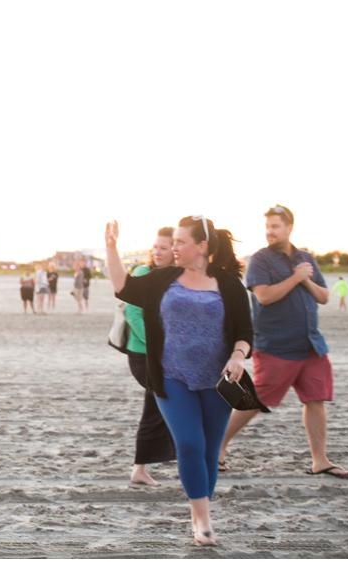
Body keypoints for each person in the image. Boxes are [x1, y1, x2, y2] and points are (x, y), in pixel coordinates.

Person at [106, 216, 252, 546]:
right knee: (189, 443)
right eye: (173, 242)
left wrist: (238, 355)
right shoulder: (163, 280)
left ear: (202, 247)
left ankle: (200, 502)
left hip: (218, 382)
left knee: (209, 451)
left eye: (181, 242)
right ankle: (202, 519)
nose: (174, 248)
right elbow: (123, 287)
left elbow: (245, 332)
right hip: (172, 377)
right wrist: (111, 248)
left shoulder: (228, 284)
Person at [218, 205, 348, 479]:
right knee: (255, 401)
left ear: (289, 228)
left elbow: (324, 296)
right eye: (267, 227)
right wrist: (297, 277)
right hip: (276, 345)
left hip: (312, 345)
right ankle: (217, 448)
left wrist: (305, 281)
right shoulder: (260, 260)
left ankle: (320, 460)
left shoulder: (306, 258)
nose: (269, 232)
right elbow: (264, 296)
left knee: (315, 400)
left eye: (275, 226)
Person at [124, 227, 176, 487]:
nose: (157, 252)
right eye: (155, 246)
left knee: (156, 406)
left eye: (163, 248)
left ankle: (140, 469)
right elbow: (133, 315)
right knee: (159, 404)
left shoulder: (176, 277)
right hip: (143, 354)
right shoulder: (143, 273)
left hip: (166, 354)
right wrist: (161, 345)